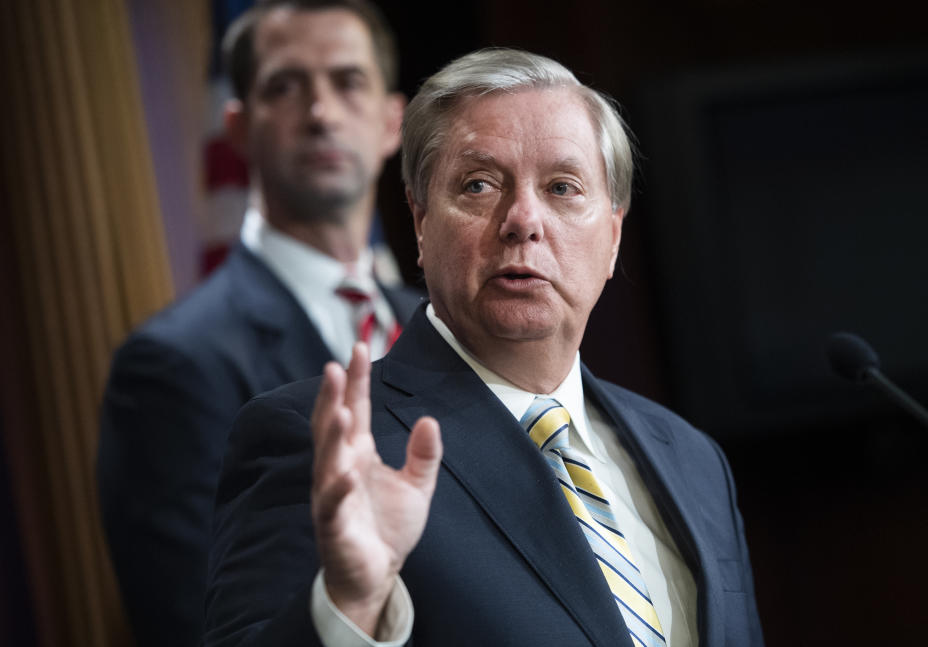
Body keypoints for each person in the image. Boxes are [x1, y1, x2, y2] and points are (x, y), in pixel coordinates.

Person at [204, 48, 764, 647]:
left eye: (562, 187)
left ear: (613, 235)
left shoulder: (694, 461)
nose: (523, 219)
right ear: (420, 223)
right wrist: (348, 605)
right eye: (478, 184)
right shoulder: (326, 443)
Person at [96, 2, 422, 646]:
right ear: (238, 128)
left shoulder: (442, 324)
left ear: (393, 123)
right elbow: (195, 627)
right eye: (285, 86)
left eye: (348, 81)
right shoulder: (172, 366)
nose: (322, 113)